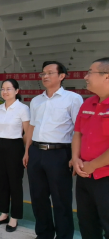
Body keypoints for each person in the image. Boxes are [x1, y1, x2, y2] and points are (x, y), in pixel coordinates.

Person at [23, 61, 83, 239]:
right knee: (38, 197)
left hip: (59, 154)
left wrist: (75, 156)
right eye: (43, 73)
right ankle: (44, 234)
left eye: (50, 73)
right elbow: (32, 128)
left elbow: (78, 130)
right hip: (36, 152)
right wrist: (27, 151)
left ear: (61, 76)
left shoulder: (73, 99)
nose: (45, 76)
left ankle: (64, 236)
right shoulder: (36, 101)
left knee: (61, 199)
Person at [72, 57, 109, 239]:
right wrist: (76, 158)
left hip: (105, 177)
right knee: (87, 223)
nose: (85, 76)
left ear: (107, 77)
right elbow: (77, 133)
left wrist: (92, 165)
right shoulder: (88, 103)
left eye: (90, 73)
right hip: (84, 176)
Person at [0, 79, 30, 232]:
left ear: (16, 91)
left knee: (15, 182)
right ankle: (4, 213)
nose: (5, 92)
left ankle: (15, 217)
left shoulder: (22, 108)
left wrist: (26, 151)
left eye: (9, 89)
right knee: (1, 181)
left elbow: (27, 132)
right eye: (3, 89)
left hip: (15, 146)